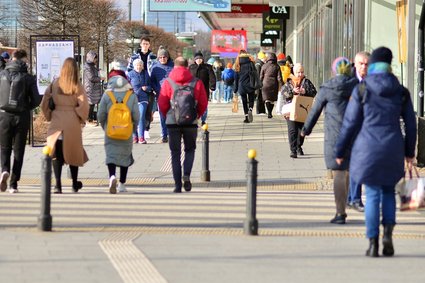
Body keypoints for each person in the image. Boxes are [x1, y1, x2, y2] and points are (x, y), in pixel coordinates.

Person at [335, 47, 416, 257]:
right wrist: (409, 153)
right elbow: (411, 125)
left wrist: (340, 149)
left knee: (371, 195)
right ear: (390, 64)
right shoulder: (401, 91)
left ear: (372, 65)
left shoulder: (362, 89)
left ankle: (373, 243)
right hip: (393, 148)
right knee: (388, 192)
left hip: (367, 148)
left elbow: (350, 123)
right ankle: (388, 234)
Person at [301, 57, 358, 224]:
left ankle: (340, 212)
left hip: (334, 135)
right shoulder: (357, 86)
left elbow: (315, 110)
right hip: (355, 134)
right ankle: (348, 199)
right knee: (347, 170)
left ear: (335, 71)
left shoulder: (328, 88)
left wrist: (305, 130)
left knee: (339, 173)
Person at [158, 57, 208, 193]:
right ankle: (186, 174)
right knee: (190, 150)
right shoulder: (196, 82)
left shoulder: (168, 82)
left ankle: (177, 185)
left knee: (175, 153)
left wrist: (168, 116)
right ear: (187, 67)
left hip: (173, 122)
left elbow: (162, 102)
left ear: (174, 66)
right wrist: (196, 116)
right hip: (190, 122)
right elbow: (203, 102)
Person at [40, 57, 89, 194]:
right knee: (73, 152)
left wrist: (49, 115)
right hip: (72, 122)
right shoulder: (77, 86)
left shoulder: (55, 84)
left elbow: (44, 102)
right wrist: (81, 118)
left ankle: (58, 185)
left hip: (57, 120)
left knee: (56, 153)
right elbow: (84, 104)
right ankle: (74, 184)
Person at [0, 49, 41, 193]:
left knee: (4, 147)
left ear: (12, 58)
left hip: (4, 115)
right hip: (21, 117)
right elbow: (36, 100)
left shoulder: (2, 74)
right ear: (24, 59)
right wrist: (26, 107)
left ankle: (4, 170)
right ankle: (13, 184)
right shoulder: (28, 77)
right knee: (19, 150)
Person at [97, 65, 140, 194]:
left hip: (111, 129)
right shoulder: (131, 95)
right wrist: (133, 128)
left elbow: (100, 114)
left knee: (111, 155)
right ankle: (122, 183)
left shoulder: (107, 95)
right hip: (126, 130)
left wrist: (105, 126)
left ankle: (111, 177)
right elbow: (136, 115)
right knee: (125, 156)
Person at [347, 51, 370, 212]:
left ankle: (353, 198)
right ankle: (353, 198)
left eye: (367, 64)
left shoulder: (373, 81)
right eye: (361, 63)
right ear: (355, 64)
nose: (364, 66)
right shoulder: (348, 81)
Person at [280, 63, 317, 158]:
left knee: (302, 130)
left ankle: (298, 146)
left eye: (302, 72)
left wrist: (305, 91)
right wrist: (293, 92)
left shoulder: (307, 82)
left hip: (303, 110)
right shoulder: (289, 82)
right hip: (291, 110)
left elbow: (314, 92)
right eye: (298, 72)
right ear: (294, 72)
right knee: (292, 130)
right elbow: (283, 93)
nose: (300, 74)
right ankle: (293, 150)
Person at [127, 36, 156, 139]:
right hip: (136, 87)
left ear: (149, 45)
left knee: (148, 109)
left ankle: (146, 129)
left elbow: (155, 70)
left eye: (147, 44)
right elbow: (129, 69)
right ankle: (136, 133)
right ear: (141, 44)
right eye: (143, 44)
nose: (145, 45)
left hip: (149, 84)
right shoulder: (134, 56)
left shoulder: (153, 57)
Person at [150, 46, 174, 143]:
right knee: (162, 116)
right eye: (161, 57)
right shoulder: (155, 67)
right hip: (161, 95)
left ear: (167, 57)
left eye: (164, 57)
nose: (163, 59)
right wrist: (157, 89)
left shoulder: (173, 66)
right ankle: (164, 135)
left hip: (172, 95)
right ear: (158, 58)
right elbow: (152, 81)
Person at [128, 58, 151, 144]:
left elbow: (150, 86)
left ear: (142, 66)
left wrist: (147, 88)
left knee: (141, 117)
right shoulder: (130, 74)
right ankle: (135, 137)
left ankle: (141, 137)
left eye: (140, 65)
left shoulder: (145, 74)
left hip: (143, 98)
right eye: (137, 65)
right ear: (134, 66)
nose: (139, 67)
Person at [189, 51, 216, 125]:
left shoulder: (207, 67)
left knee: (204, 105)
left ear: (202, 59)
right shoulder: (191, 68)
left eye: (200, 59)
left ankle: (203, 120)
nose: (199, 60)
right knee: (193, 105)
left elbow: (212, 77)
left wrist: (212, 86)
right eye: (197, 59)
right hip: (193, 90)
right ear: (195, 60)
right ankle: (195, 119)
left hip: (204, 90)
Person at [234, 50, 256, 123]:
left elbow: (236, 78)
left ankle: (246, 117)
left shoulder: (237, 64)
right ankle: (250, 109)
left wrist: (235, 89)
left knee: (244, 101)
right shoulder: (251, 63)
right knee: (251, 99)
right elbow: (255, 74)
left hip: (241, 85)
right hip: (250, 84)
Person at [260, 52, 283, 119]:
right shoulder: (277, 66)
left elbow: (261, 76)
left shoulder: (264, 66)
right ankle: (270, 112)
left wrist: (260, 84)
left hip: (265, 84)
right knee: (272, 100)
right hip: (274, 84)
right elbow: (279, 78)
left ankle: (269, 112)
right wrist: (281, 85)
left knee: (267, 99)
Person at [83, 50, 103, 125]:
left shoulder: (91, 66)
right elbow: (91, 78)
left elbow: (94, 72)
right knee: (90, 103)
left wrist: (98, 70)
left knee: (92, 103)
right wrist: (100, 78)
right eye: (95, 58)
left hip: (93, 88)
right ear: (91, 58)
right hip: (89, 88)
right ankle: (88, 119)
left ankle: (90, 119)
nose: (96, 60)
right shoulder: (88, 67)